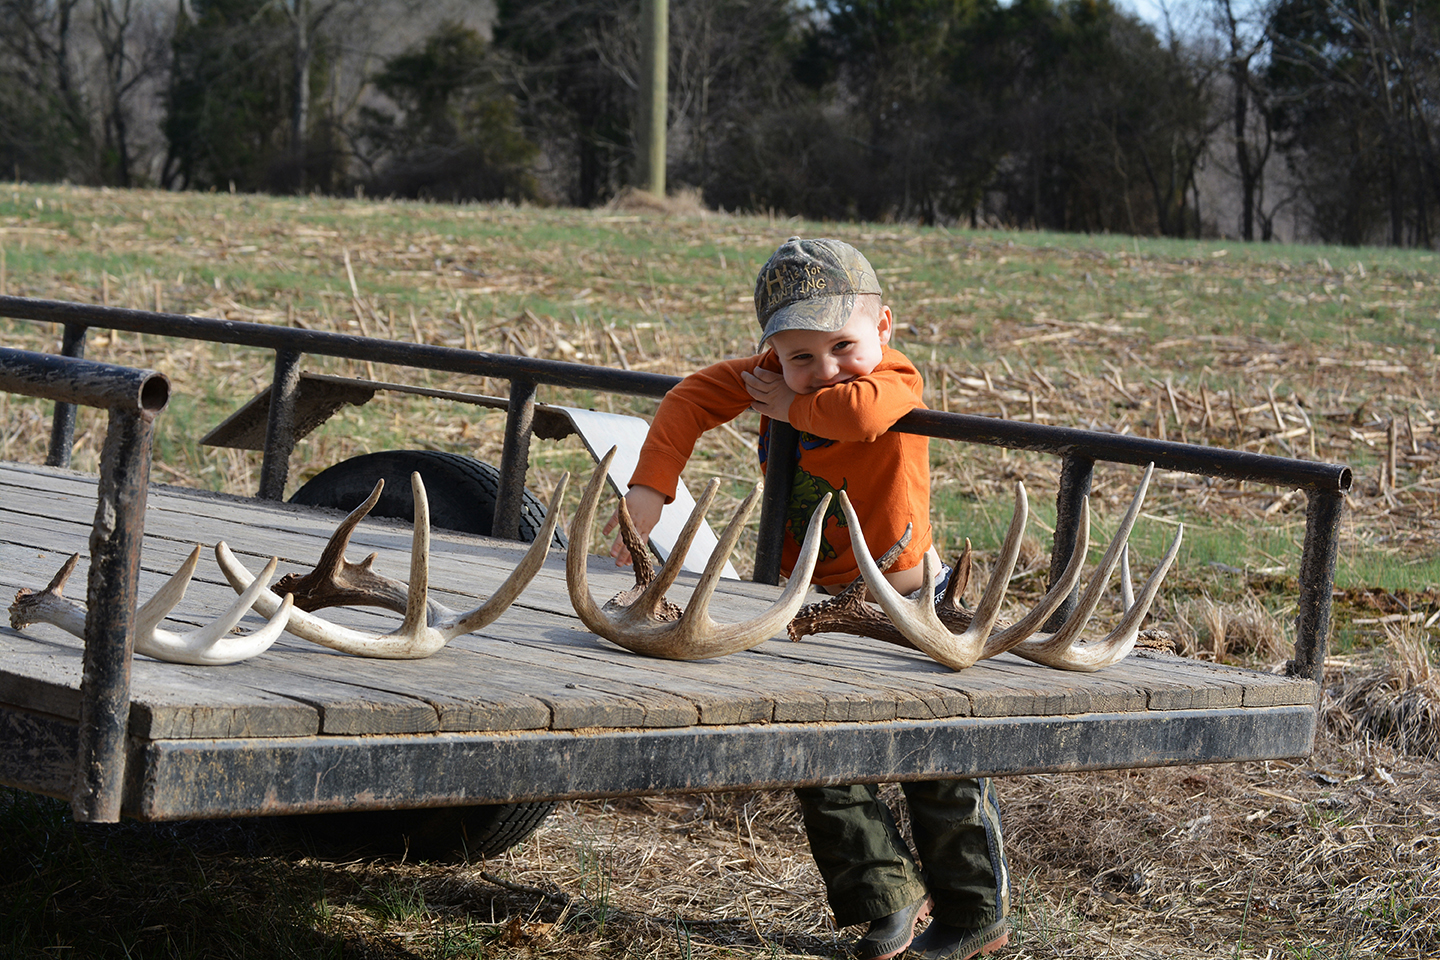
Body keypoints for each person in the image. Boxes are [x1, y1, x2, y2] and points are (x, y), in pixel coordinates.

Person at [605, 236, 1011, 960]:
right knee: (817, 758)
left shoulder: (893, 378)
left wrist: (790, 405)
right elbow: (691, 397)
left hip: (908, 605)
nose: (823, 371)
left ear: (882, 329)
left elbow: (858, 416)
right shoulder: (772, 377)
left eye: (842, 347)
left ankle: (975, 912)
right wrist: (648, 492)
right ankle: (888, 897)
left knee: (937, 763)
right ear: (773, 350)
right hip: (814, 605)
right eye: (800, 356)